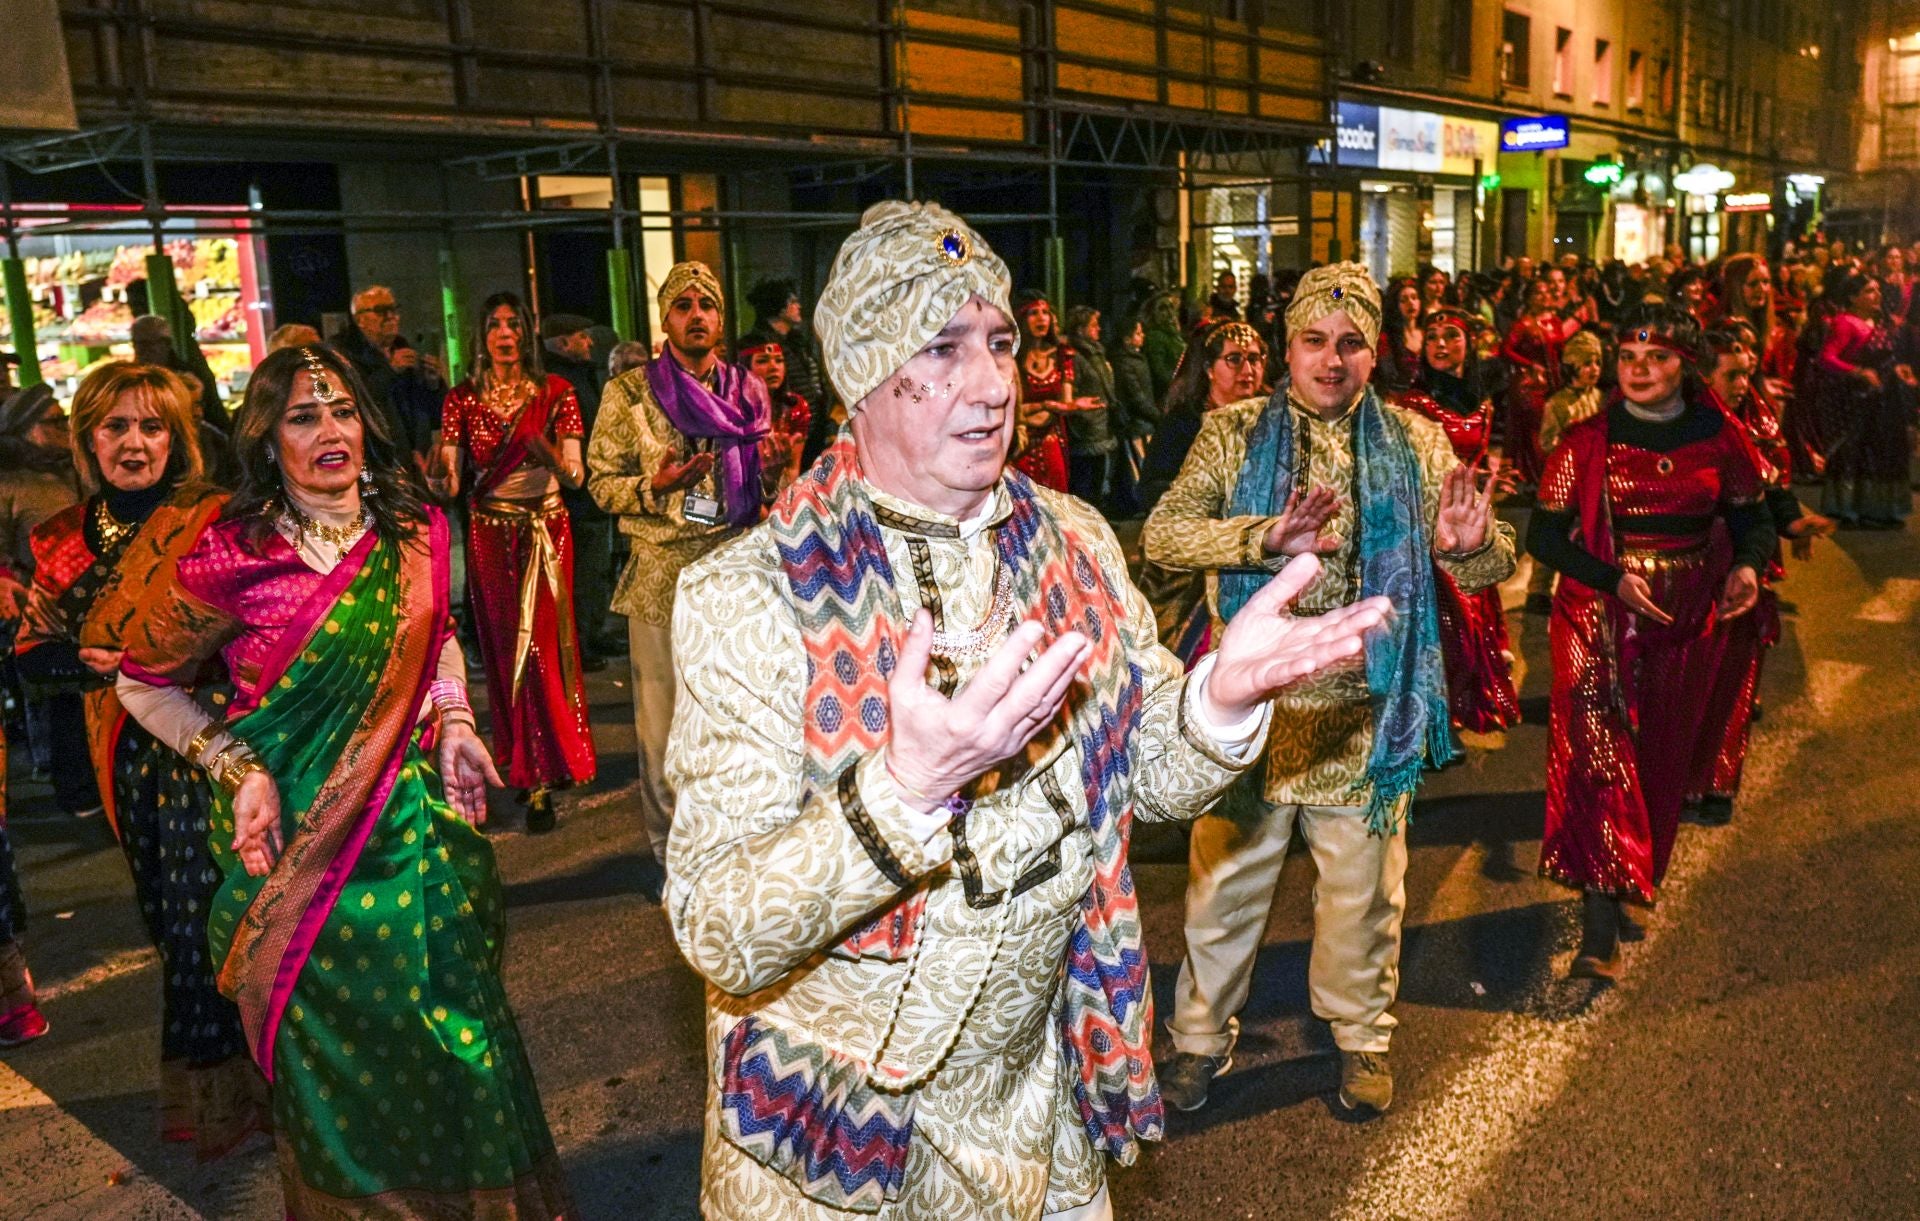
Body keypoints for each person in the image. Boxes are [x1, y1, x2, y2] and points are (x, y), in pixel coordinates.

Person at [664, 199, 1388, 1221]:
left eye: (1000, 343)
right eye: (945, 348)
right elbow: (720, 930)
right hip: (837, 1143)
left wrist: (1221, 698)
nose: (996, 383)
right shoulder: (750, 593)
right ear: (864, 374)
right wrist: (906, 793)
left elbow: (1152, 773)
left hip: (1039, 1108)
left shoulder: (1074, 540)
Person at [114, 344, 572, 1217]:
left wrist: (458, 721)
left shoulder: (416, 531)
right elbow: (143, 678)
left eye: (342, 410)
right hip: (290, 851)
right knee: (336, 1068)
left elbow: (435, 634)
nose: (329, 430)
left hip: (410, 827)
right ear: (267, 438)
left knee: (456, 1043)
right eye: (301, 415)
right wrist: (236, 768)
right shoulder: (232, 554)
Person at [1142, 263, 1513, 1116]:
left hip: (1361, 711)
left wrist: (1466, 546)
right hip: (1251, 708)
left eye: (1350, 344)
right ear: (1288, 346)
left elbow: (1493, 564)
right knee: (1223, 887)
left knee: (1362, 894)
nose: (1331, 360)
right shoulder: (1233, 433)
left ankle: (1359, 1038)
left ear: (1376, 352)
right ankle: (1198, 1041)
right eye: (1314, 341)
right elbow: (1165, 532)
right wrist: (1262, 534)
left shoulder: (1416, 443)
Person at [13, 362, 264, 1153]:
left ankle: (253, 1092)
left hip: (207, 741)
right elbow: (30, 653)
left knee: (216, 921)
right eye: (116, 426)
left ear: (177, 437)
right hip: (121, 751)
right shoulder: (58, 539)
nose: (135, 442)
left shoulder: (213, 519)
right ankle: (229, 1092)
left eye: (152, 426)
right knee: (167, 918)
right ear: (88, 439)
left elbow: (252, 628)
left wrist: (171, 662)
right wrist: (87, 659)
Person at [1526, 306, 1776, 978]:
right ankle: (1597, 927)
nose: (1638, 369)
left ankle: (1634, 870)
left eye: (1657, 357)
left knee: (1662, 757)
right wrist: (1611, 578)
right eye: (1628, 356)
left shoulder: (1723, 437)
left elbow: (1754, 520)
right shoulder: (1584, 441)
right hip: (1596, 612)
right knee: (1598, 757)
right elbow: (1542, 539)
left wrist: (1748, 567)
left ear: (1684, 366)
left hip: (1684, 616)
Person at [587, 262, 773, 880]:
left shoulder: (747, 393)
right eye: (683, 305)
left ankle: (733, 850)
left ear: (722, 318)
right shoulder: (631, 394)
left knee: (739, 721)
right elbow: (599, 484)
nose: (697, 315)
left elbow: (763, 486)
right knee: (663, 732)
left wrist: (781, 471)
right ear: (664, 318)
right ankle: (675, 862)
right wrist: (653, 485)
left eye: (708, 305)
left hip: (736, 570)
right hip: (663, 573)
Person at [434, 293, 597, 831]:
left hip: (545, 530)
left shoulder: (557, 393)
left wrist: (547, 453)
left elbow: (575, 476)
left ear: (526, 334)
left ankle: (548, 767)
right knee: (506, 649)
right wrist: (437, 482)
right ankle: (524, 759)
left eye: (513, 324)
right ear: (481, 335)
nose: (504, 332)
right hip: (489, 532)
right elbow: (453, 480)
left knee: (543, 647)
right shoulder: (461, 400)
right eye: (494, 324)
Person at [1694, 333, 1833, 825]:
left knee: (1732, 678)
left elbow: (1767, 487)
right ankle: (1677, 777)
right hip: (1682, 573)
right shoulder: (1672, 420)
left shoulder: (1752, 419)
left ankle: (1716, 779)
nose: (1743, 385)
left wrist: (1792, 522)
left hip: (1737, 567)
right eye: (1732, 374)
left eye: (1747, 373)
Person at [1393, 307, 1520, 732]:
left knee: (1476, 614)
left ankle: (1463, 705)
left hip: (1472, 523)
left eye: (1451, 336)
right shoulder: (1412, 404)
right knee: (1445, 624)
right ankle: (1433, 718)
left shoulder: (1481, 401)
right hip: (1430, 526)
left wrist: (1488, 479)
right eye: (1432, 339)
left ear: (1469, 344)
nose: (1442, 345)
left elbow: (1481, 453)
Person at [542, 313, 619, 667]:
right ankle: (579, 642)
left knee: (594, 566)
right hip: (575, 493)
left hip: (588, 488)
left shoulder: (580, 377)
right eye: (582, 337)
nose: (590, 343)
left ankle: (592, 630)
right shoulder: (557, 382)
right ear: (562, 343)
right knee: (581, 568)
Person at [1812, 274, 1915, 528]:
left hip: (1881, 402)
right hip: (1853, 401)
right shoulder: (1845, 323)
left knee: (1881, 453)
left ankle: (1880, 509)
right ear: (1853, 297)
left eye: (1878, 290)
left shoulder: (1878, 322)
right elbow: (1826, 358)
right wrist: (1859, 373)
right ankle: (1851, 507)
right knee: (1856, 455)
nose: (1877, 295)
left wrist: (1899, 371)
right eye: (1869, 291)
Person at [1524, 330, 1608, 613]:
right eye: (1587, 363)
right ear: (1572, 367)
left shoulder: (1599, 398)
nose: (1593, 369)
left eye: (1597, 362)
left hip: (1593, 477)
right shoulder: (1558, 404)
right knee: (1554, 532)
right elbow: (1547, 441)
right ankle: (1538, 590)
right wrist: (1566, 443)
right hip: (1564, 479)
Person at [331, 286, 448, 466]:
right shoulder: (344, 355)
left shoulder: (403, 348)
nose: (390, 316)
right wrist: (390, 371)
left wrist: (434, 385)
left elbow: (433, 415)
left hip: (416, 463)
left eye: (393, 310)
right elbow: (354, 402)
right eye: (380, 311)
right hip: (377, 461)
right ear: (360, 319)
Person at [744, 277, 833, 463]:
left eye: (778, 360)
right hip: (784, 434)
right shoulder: (761, 344)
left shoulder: (796, 341)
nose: (798, 306)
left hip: (811, 432)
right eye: (792, 302)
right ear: (779, 307)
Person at [1500, 276, 1568, 488]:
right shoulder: (1524, 324)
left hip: (1553, 381)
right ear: (1529, 298)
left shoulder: (1555, 322)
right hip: (1530, 385)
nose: (1543, 296)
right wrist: (1529, 363)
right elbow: (1505, 349)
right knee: (1535, 428)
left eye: (1546, 292)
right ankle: (1535, 476)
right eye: (1538, 292)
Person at [1011, 290, 1080, 492]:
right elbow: (1010, 411)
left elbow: (1066, 405)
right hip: (1020, 443)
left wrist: (1074, 405)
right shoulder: (1011, 359)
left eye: (1045, 312)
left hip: (1051, 439)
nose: (1041, 318)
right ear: (1021, 319)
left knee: (1055, 501)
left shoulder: (1061, 355)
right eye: (1033, 313)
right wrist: (1045, 405)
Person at [1063, 305, 1120, 511]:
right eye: (1093, 325)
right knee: (1085, 478)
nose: (1099, 329)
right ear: (1080, 329)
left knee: (1099, 474)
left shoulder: (1096, 353)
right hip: (1086, 424)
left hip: (1100, 421)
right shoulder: (1075, 357)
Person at [1374, 277, 1423, 393]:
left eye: (1414, 298)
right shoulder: (1386, 339)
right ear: (1395, 305)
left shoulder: (1427, 334)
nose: (1411, 303)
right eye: (1404, 300)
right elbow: (1387, 376)